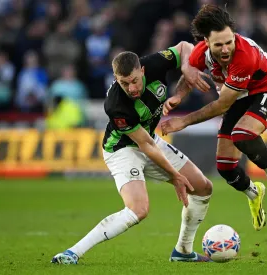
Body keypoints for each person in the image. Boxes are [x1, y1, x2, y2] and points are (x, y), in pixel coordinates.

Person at [51, 41, 214, 264]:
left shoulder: (155, 63)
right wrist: (174, 176)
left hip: (149, 139)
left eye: (135, 80)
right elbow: (145, 145)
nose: (132, 88)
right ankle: (73, 253)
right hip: (122, 149)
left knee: (203, 187)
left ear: (142, 70)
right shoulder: (115, 104)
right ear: (116, 79)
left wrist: (186, 67)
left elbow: (186, 46)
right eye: (124, 83)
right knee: (138, 209)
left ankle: (183, 251)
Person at [161, 4, 267, 231]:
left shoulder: (244, 57)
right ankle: (253, 193)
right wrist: (178, 96)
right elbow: (190, 72)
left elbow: (222, 104)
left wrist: (183, 120)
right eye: (218, 44)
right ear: (206, 42)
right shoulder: (202, 52)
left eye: (229, 42)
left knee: (242, 135)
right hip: (240, 96)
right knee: (225, 166)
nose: (225, 49)